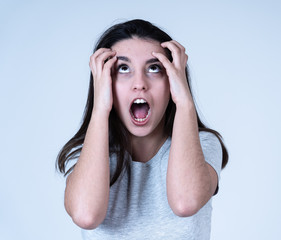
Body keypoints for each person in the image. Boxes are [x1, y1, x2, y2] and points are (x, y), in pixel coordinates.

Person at [56, 19, 228, 239]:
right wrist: (100, 109)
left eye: (154, 68)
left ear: (172, 81)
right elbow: (86, 215)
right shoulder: (87, 152)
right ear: (104, 81)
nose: (139, 83)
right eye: (124, 68)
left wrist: (185, 103)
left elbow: (186, 202)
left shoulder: (203, 144)